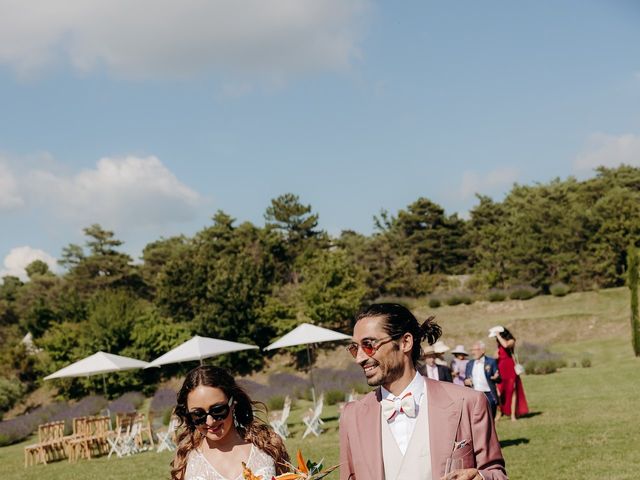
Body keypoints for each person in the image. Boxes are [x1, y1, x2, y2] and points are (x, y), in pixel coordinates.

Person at [339, 303, 507, 480]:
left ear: (405, 342)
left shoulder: (468, 403)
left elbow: (495, 472)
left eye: (368, 345)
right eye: (354, 348)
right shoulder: (352, 417)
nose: (359, 358)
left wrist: (480, 477)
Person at [171, 366, 289, 480]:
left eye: (218, 410)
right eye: (198, 414)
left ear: (233, 403)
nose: (210, 422)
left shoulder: (268, 446)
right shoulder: (185, 459)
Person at [490, 326, 529, 421]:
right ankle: (500, 412)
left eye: (497, 336)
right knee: (500, 391)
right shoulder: (499, 344)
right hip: (501, 368)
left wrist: (498, 334)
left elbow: (506, 345)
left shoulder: (511, 341)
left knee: (512, 391)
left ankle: (512, 415)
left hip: (510, 368)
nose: (496, 339)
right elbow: (496, 355)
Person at [464, 342, 501, 418]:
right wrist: (466, 381)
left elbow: (499, 378)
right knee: (475, 419)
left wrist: (496, 377)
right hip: (474, 394)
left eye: (475, 350)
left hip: (488, 394)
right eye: (472, 350)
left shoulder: (491, 362)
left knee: (490, 419)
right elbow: (466, 379)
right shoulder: (469, 364)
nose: (473, 352)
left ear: (483, 350)